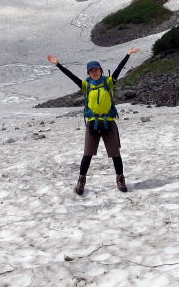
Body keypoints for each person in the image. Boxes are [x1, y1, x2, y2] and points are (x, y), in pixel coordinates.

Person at [46, 47, 141, 194]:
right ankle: (81, 181)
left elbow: (118, 69)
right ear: (88, 73)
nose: (94, 72)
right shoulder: (86, 85)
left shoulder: (109, 82)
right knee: (87, 154)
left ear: (101, 71)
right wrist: (58, 64)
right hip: (92, 123)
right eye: (91, 70)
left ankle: (120, 179)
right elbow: (71, 76)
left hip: (108, 122)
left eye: (96, 69)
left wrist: (128, 54)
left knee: (115, 154)